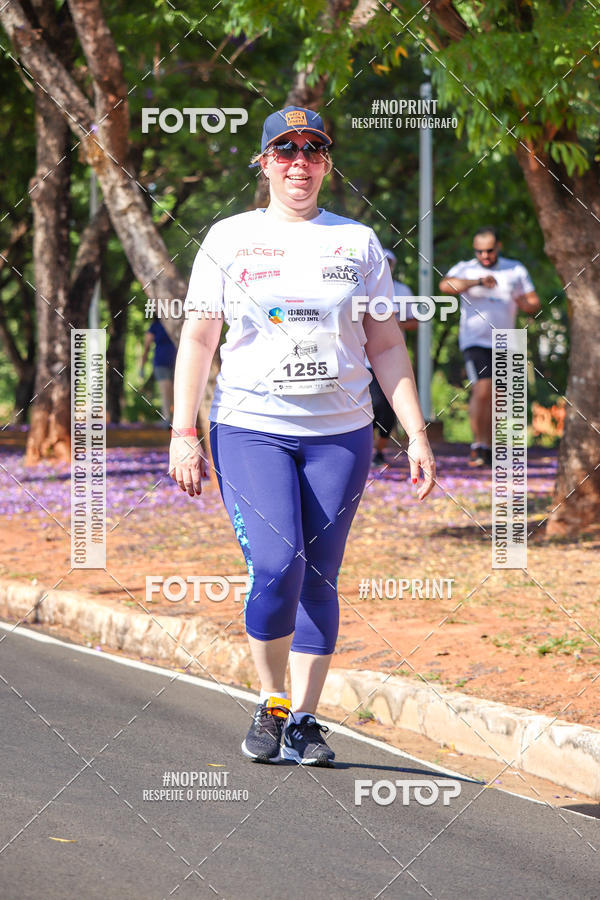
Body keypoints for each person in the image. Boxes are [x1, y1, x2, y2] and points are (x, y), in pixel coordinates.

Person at [170, 105, 436, 767]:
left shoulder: (357, 243)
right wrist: (183, 431)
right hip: (250, 427)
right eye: (284, 150)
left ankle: (307, 720)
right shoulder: (229, 239)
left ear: (327, 162)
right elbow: (199, 338)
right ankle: (272, 698)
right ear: (263, 164)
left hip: (340, 435)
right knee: (275, 563)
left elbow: (384, 344)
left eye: (312, 149)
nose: (299, 162)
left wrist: (417, 433)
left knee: (321, 574)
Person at [439, 226, 540, 467]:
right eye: (479, 251)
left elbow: (533, 302)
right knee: (482, 388)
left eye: (489, 251)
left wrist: (522, 300)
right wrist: (477, 281)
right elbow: (445, 286)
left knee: (498, 396)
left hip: (505, 340)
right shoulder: (466, 268)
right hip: (475, 340)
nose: (484, 256)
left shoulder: (514, 269)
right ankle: (477, 445)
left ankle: (489, 447)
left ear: (499, 247)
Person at [368, 248, 418, 466]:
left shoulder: (402, 290)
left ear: (393, 266)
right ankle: (366, 452)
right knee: (370, 406)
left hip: (390, 360)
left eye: (388, 262)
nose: (384, 265)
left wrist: (392, 324)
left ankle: (379, 451)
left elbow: (415, 321)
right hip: (363, 360)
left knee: (388, 409)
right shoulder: (362, 288)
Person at [140, 316, 177, 427]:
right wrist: (142, 366)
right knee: (165, 391)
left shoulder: (176, 322)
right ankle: (167, 420)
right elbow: (146, 346)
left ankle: (176, 420)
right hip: (161, 363)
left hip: (177, 363)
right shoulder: (155, 326)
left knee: (176, 393)